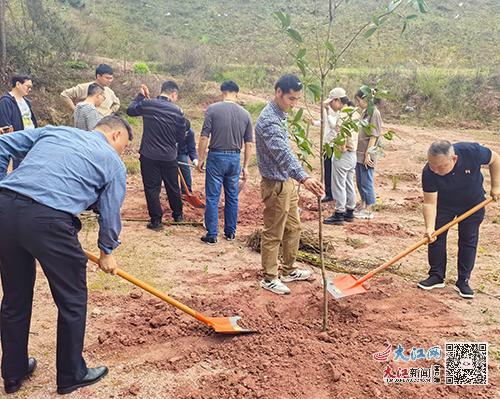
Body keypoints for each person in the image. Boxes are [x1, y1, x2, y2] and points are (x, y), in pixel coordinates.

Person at [0, 115, 133, 395]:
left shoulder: (54, 132)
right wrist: (107, 250)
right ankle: (71, 374)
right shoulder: (111, 160)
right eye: (125, 147)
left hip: (5, 211)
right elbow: (110, 211)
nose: (122, 153)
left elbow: (2, 144)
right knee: (72, 300)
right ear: (117, 135)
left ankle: (13, 373)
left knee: (15, 296)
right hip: (50, 220)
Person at [255, 74, 324, 295]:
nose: (294, 104)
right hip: (275, 184)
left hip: (286, 182)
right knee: (274, 232)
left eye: (296, 100)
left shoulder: (280, 114)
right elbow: (282, 154)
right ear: (278, 93)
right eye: (291, 99)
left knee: (293, 227)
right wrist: (304, 177)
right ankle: (269, 277)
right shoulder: (269, 121)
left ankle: (289, 269)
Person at [418, 140, 499, 299]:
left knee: (468, 240)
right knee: (436, 236)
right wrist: (429, 228)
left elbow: (496, 159)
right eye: (431, 165)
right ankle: (436, 275)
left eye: (440, 166)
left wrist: (496, 186)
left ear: (453, 159)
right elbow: (429, 203)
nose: (434, 170)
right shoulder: (429, 172)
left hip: (472, 203)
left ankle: (463, 280)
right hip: (444, 204)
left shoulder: (472, 152)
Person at [197, 80, 253, 244]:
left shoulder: (212, 109)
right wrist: (246, 166)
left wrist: (201, 158)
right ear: (236, 93)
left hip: (216, 156)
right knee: (232, 196)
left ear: (222, 92)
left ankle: (212, 234)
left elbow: (204, 136)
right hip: (234, 158)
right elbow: (249, 143)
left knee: (213, 197)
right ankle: (230, 232)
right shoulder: (245, 114)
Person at [127, 81, 186, 229]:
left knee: (152, 187)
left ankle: (156, 221)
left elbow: (130, 110)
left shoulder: (148, 104)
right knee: (172, 186)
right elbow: (180, 137)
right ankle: (178, 215)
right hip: (169, 156)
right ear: (173, 94)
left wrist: (140, 96)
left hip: (149, 155)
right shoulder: (177, 111)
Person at [322, 88, 359, 225]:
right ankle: (350, 211)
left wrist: (339, 148)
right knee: (349, 182)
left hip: (343, 154)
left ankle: (339, 213)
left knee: (339, 184)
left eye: (332, 102)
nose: (331, 105)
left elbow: (341, 136)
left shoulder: (344, 115)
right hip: (352, 154)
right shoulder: (353, 112)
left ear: (338, 100)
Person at [353, 88, 383, 220]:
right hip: (360, 152)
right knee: (360, 181)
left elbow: (374, 136)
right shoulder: (365, 112)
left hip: (367, 153)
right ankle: (364, 204)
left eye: (359, 100)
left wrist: (368, 154)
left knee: (366, 181)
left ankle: (369, 209)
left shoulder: (375, 113)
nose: (358, 103)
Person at [0, 74, 38, 168]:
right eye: (27, 86)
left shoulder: (27, 102)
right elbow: (5, 125)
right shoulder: (6, 101)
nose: (29, 89)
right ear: (18, 84)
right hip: (18, 141)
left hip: (31, 138)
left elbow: (31, 120)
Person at [177, 119, 198, 194]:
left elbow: (191, 148)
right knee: (170, 171)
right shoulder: (170, 131)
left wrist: (195, 159)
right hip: (168, 153)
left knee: (185, 169)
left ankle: (186, 191)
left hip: (181, 153)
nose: (185, 135)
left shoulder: (190, 133)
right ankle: (174, 192)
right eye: (184, 133)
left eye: (186, 133)